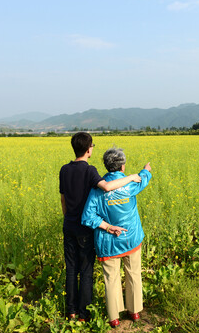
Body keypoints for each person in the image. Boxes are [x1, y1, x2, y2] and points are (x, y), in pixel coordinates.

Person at [59, 132, 141, 321]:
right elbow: (106, 187)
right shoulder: (89, 170)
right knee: (86, 271)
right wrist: (131, 177)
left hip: (69, 225)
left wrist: (68, 219)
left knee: (71, 269)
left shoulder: (64, 169)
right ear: (89, 149)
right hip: (86, 229)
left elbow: (63, 199)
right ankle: (84, 314)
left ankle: (71, 311)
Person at [81, 148, 152, 328]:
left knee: (111, 279)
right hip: (131, 239)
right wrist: (146, 170)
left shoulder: (98, 189)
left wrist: (107, 227)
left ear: (106, 165)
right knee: (134, 274)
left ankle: (113, 318)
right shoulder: (130, 184)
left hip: (108, 242)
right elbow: (143, 179)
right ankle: (134, 311)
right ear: (122, 166)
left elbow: (87, 217)